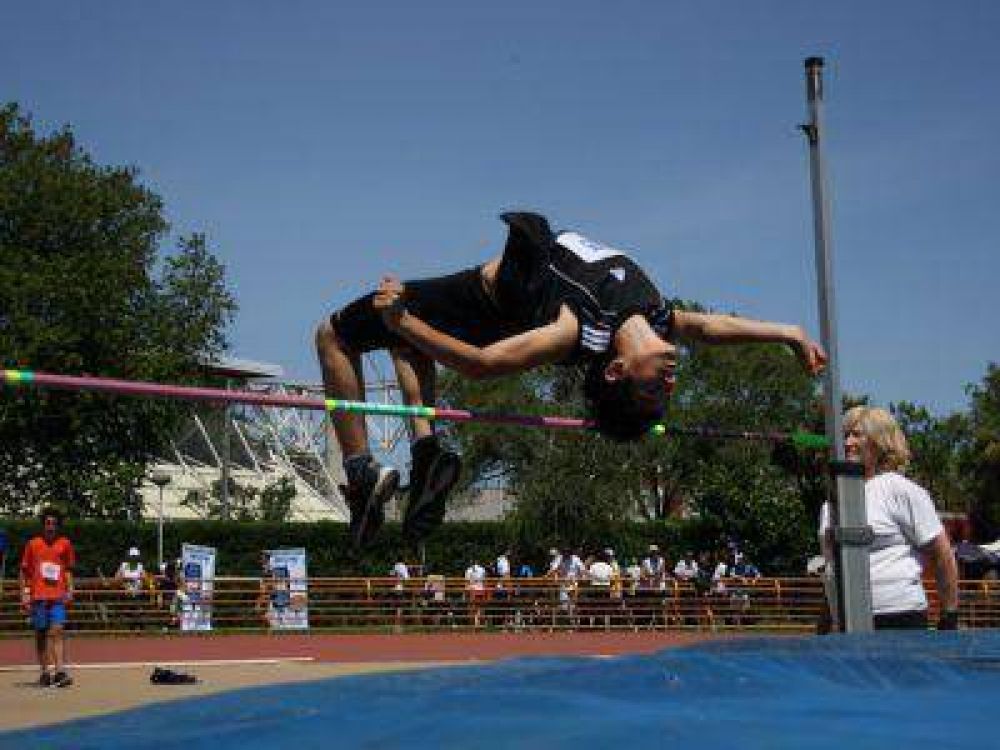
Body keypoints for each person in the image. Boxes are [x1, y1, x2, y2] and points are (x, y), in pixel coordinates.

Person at [316, 211, 827, 547]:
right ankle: (426, 453)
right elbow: (710, 327)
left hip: (485, 302)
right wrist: (786, 332)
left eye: (654, 386)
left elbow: (482, 363)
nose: (672, 379)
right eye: (666, 390)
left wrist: (399, 318)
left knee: (333, 336)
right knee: (409, 343)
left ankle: (361, 475)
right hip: (494, 295)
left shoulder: (577, 329)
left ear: (617, 368)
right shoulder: (656, 315)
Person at [819, 406, 960, 631]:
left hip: (899, 616)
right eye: (845, 435)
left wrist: (949, 615)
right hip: (847, 620)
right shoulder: (831, 503)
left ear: (878, 442)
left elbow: (942, 554)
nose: (847, 443)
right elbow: (831, 569)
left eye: (857, 434)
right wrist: (826, 623)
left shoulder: (899, 490)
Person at [19, 508, 75, 688]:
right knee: (41, 634)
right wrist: (24, 594)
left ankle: (59, 671)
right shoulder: (33, 544)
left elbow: (68, 569)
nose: (50, 526)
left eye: (54, 523)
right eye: (47, 523)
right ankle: (45, 672)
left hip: (57, 596)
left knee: (57, 631)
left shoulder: (65, 544)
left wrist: (70, 589)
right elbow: (24, 570)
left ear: (58, 526)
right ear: (43, 525)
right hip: (38, 596)